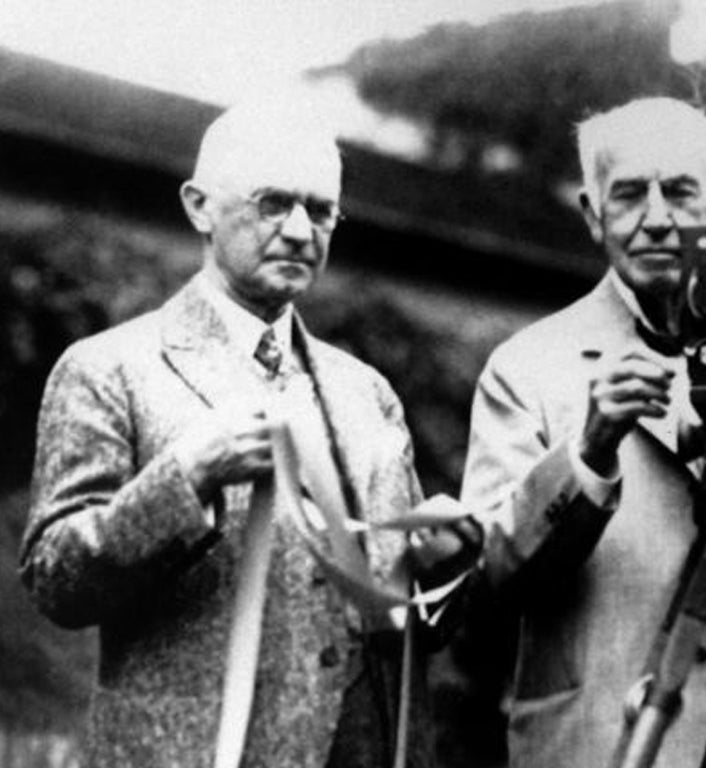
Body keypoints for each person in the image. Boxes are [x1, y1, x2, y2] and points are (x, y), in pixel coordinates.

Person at [19, 100, 478, 768]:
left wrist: (439, 567)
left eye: (320, 211)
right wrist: (184, 479)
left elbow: (402, 623)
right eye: (273, 203)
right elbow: (54, 581)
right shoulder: (108, 368)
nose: (299, 231)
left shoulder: (366, 392)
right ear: (200, 207)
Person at [460, 97, 706, 768]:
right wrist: (588, 452)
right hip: (615, 739)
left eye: (680, 191)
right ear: (593, 214)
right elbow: (491, 581)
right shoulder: (526, 367)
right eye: (629, 195)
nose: (656, 220)